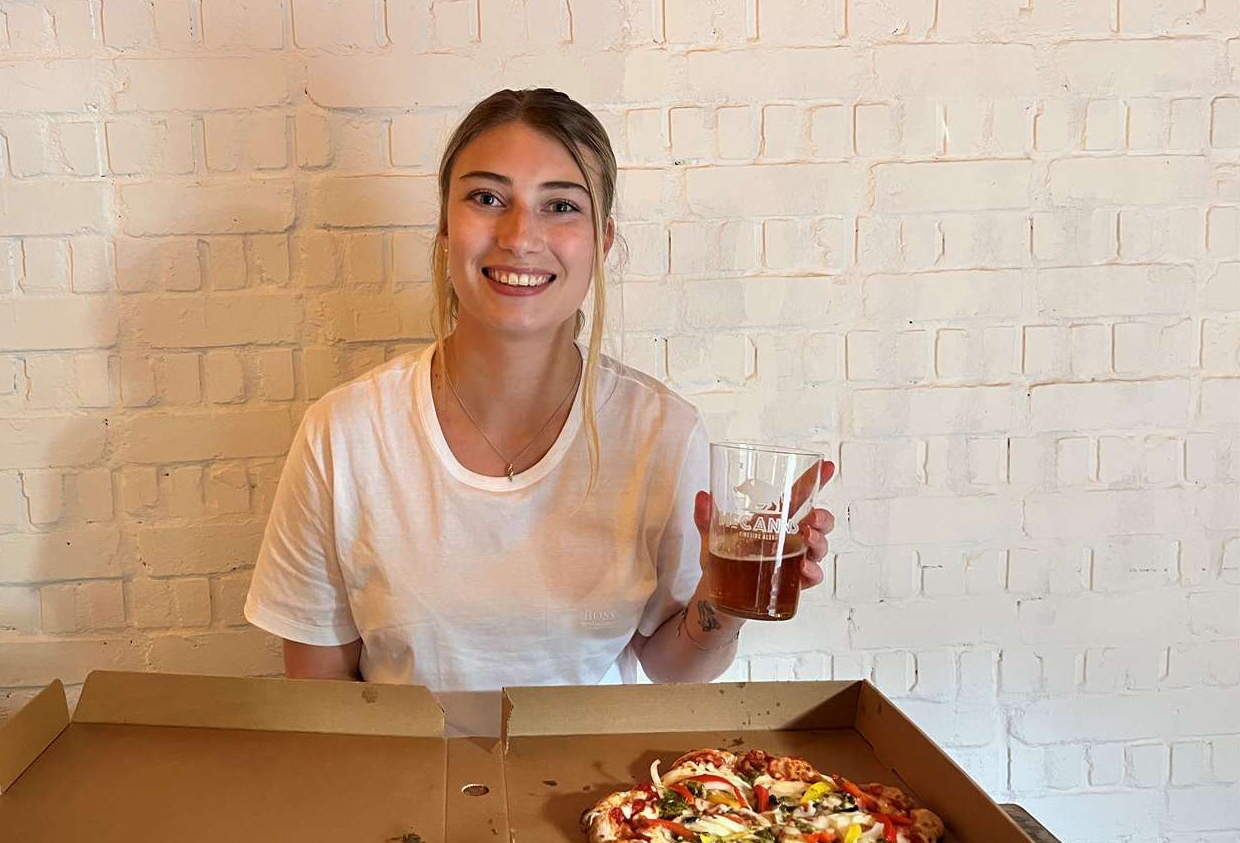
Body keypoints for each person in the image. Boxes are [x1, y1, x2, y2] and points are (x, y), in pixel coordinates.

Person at [245, 88, 835, 730]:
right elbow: (320, 690)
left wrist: (722, 600)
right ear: (445, 230)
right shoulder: (345, 432)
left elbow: (672, 666)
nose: (520, 236)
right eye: (487, 198)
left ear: (602, 242)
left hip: (604, 802)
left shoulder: (661, 430)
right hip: (403, 795)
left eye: (560, 206)